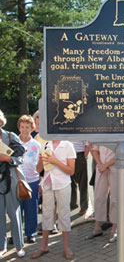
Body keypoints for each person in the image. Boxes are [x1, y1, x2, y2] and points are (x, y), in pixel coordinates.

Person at [31, 139, 76, 259]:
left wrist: (55, 161)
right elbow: (38, 169)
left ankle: (66, 247)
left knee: (64, 214)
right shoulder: (46, 144)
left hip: (63, 184)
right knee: (46, 214)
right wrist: (41, 160)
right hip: (47, 183)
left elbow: (71, 171)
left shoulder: (68, 145)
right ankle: (43, 246)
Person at [0, 110, 26, 259]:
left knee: (14, 214)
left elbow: (21, 157)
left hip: (10, 179)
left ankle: (19, 245)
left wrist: (8, 159)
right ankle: (1, 246)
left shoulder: (10, 136)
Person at [85, 145, 117, 243]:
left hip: (116, 167)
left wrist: (105, 165)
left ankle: (114, 230)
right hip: (101, 167)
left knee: (115, 199)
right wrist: (100, 165)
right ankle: (97, 228)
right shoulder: (101, 131)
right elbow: (94, 150)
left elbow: (122, 153)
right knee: (99, 198)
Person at [17, 115, 41, 243]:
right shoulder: (14, 142)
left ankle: (30, 233)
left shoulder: (36, 145)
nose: (24, 130)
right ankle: (17, 233)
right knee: (16, 209)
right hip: (17, 181)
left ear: (32, 128)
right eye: (22, 127)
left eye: (27, 127)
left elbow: (40, 162)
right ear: (19, 128)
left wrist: (40, 179)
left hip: (32, 180)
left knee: (31, 208)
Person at [70, 141, 89, 215]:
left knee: (82, 183)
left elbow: (87, 145)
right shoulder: (65, 129)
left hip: (80, 155)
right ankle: (73, 203)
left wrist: (84, 156)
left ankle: (84, 207)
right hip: (68, 156)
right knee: (70, 182)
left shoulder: (81, 130)